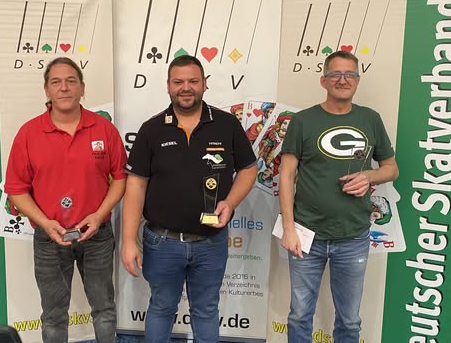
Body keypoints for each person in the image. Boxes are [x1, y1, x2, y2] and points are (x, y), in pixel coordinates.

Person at [120, 55, 257, 343]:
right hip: (162, 242)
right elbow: (136, 185)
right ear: (168, 86)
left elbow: (248, 168)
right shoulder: (152, 129)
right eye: (178, 82)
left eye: (193, 81)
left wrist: (230, 203)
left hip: (211, 241)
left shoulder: (227, 124)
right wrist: (128, 240)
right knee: (161, 308)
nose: (186, 88)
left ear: (205, 84)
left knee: (206, 311)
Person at [4, 57, 127, 343]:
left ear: (82, 88)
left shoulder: (104, 129)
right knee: (53, 314)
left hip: (96, 235)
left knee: (104, 309)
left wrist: (99, 216)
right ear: (46, 90)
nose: (64, 88)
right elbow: (16, 190)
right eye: (56, 82)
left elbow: (121, 178)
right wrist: (45, 223)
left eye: (71, 81)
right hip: (49, 238)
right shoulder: (28, 133)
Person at [278, 51, 399, 343]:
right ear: (324, 80)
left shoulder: (370, 119)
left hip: (353, 237)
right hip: (306, 235)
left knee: (349, 320)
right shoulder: (303, 120)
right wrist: (289, 229)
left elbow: (391, 169)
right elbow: (286, 175)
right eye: (335, 74)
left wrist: (368, 176)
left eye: (350, 74)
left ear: (357, 80)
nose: (343, 80)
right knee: (299, 315)